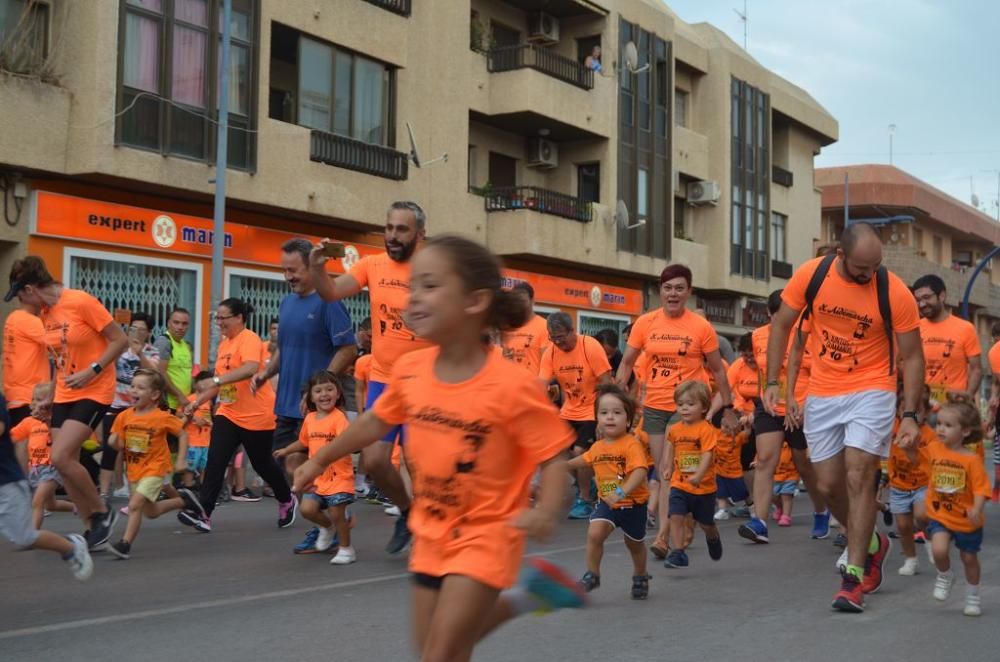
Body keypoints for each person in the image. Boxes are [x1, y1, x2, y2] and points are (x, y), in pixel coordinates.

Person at [294, 234, 585, 662]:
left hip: (487, 534)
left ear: (474, 301)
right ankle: (528, 596)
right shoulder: (411, 368)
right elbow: (375, 420)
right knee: (438, 649)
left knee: (439, 653)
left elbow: (553, 455)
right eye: (413, 286)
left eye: (430, 286)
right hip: (430, 533)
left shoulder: (512, 385)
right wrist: (320, 457)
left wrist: (544, 511)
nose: (413, 298)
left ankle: (523, 595)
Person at [763, 222, 923, 613]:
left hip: (873, 387)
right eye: (860, 269)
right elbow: (782, 325)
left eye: (875, 268)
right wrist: (772, 381)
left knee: (859, 474)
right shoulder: (812, 274)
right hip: (824, 390)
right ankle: (871, 541)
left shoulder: (893, 291)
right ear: (839, 254)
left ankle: (853, 577)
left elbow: (914, 356)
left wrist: (912, 414)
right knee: (828, 483)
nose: (869, 276)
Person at [308, 201, 432, 555]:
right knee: (375, 462)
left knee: (419, 464)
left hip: (424, 385)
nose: (392, 235)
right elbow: (331, 292)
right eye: (389, 227)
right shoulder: (372, 264)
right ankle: (407, 512)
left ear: (419, 235)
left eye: (402, 229)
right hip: (383, 380)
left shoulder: (432, 272)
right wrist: (318, 270)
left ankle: (430, 532)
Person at [614, 264, 739, 559]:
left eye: (679, 288)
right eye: (668, 288)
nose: (673, 294)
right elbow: (627, 362)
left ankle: (662, 537)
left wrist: (730, 407)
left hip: (687, 408)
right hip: (655, 406)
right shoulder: (645, 323)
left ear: (689, 292)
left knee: (671, 473)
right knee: (668, 473)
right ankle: (686, 524)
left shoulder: (700, 327)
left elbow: (719, 371)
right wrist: (618, 398)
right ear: (661, 291)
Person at [6, 256, 129, 550]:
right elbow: (59, 362)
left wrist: (93, 369)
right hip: (64, 392)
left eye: (19, 295)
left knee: (60, 456)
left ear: (31, 289)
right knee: (63, 464)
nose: (20, 302)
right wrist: (48, 398)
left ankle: (101, 512)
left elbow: (119, 340)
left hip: (94, 389)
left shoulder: (80, 301)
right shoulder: (45, 314)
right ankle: (92, 530)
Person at [177, 298, 297, 533]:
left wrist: (217, 380)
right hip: (229, 412)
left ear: (239, 318)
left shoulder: (249, 339)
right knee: (215, 460)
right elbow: (219, 384)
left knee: (263, 465)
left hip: (257, 415)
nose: (219, 322)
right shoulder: (224, 345)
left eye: (223, 318)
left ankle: (286, 499)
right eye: (217, 318)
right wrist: (197, 401)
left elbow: (251, 368)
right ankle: (205, 513)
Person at [250, 239, 356, 491]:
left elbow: (349, 348)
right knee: (289, 467)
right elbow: (285, 348)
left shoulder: (329, 301)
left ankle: (330, 516)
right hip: (286, 403)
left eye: (293, 270)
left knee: (305, 469)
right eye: (284, 270)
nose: (288, 277)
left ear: (311, 266)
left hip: (315, 404)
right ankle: (325, 518)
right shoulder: (287, 303)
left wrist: (319, 386)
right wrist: (266, 373)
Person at [743, 290, 829, 544]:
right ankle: (759, 522)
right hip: (769, 408)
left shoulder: (808, 335)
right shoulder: (759, 336)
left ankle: (821, 510)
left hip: (801, 408)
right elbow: (761, 371)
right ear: (770, 313)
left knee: (804, 464)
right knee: (765, 460)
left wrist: (804, 407)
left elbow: (819, 374)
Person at [106, 370, 200, 559]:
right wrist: (113, 442)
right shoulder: (123, 416)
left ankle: (125, 545)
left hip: (155, 468)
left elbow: (182, 433)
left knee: (134, 505)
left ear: (155, 395)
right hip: (134, 470)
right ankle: (183, 500)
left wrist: (181, 460)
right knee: (151, 512)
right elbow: (118, 442)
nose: (134, 390)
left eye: (141, 388)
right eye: (132, 386)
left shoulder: (161, 417)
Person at [0, 391, 92, 580]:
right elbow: (15, 436)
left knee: (25, 533)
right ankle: (73, 509)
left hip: (10, 480)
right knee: (47, 503)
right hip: (35, 469)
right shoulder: (29, 423)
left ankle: (70, 547)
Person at [569, 384, 650, 599]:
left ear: (628, 420)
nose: (610, 418)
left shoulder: (631, 444)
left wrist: (621, 493)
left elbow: (640, 470)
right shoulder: (597, 447)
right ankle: (592, 574)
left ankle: (640, 575)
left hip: (633, 504)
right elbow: (584, 460)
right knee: (595, 533)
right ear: (597, 419)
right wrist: (562, 466)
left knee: (634, 544)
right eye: (604, 413)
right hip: (607, 503)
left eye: (617, 413)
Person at [914, 395, 990, 617]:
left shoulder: (972, 460)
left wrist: (976, 508)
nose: (941, 429)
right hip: (941, 514)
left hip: (967, 519)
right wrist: (909, 449)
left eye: (948, 425)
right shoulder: (935, 449)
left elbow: (981, 489)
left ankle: (973, 595)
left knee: (969, 558)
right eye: (939, 423)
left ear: (965, 431)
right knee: (938, 550)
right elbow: (918, 461)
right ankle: (945, 575)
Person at [275, 370, 356, 564]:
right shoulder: (310, 419)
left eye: (330, 389)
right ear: (310, 396)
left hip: (338, 475)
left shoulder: (339, 419)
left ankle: (346, 549)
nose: (324, 394)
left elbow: (347, 443)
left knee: (337, 512)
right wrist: (286, 450)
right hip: (317, 477)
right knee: (307, 509)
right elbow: (303, 442)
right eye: (318, 391)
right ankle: (327, 527)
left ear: (338, 393)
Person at [539, 312, 612, 519]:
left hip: (592, 408)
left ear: (572, 330)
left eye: (561, 337)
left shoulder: (590, 347)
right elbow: (540, 386)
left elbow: (606, 383)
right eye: (554, 338)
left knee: (580, 450)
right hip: (569, 410)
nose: (558, 342)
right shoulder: (551, 352)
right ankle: (586, 480)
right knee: (555, 450)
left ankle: (584, 499)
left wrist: (603, 417)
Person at [661, 380, 723, 569]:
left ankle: (712, 537)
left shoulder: (706, 430)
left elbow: (707, 454)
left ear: (704, 407)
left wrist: (699, 475)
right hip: (680, 484)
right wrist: (668, 466)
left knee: (706, 523)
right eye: (680, 404)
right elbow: (671, 445)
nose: (684, 408)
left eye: (690, 404)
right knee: (676, 515)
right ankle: (679, 552)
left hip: (703, 487)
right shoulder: (675, 429)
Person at [99, 312, 160, 499]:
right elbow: (107, 364)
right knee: (111, 447)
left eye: (142, 330)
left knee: (136, 448)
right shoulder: (119, 347)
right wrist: (122, 348)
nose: (137, 332)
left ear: (148, 333)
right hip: (115, 404)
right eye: (134, 328)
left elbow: (153, 373)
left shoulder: (151, 351)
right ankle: (107, 490)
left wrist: (140, 352)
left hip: (138, 408)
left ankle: (136, 484)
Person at [912, 274, 982, 405]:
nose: (922, 304)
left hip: (953, 407)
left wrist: (968, 396)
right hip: (922, 406)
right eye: (918, 299)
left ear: (942, 296)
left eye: (927, 297)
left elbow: (976, 369)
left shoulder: (966, 328)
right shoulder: (914, 329)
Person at [10, 383, 74, 528]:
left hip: (51, 467)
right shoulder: (28, 422)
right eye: (33, 399)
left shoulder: (56, 421)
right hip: (35, 469)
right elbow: (11, 437)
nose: (33, 403)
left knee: (37, 501)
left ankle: (32, 536)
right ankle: (77, 507)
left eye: (39, 400)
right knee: (50, 505)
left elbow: (61, 437)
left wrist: (48, 420)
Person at [887, 386, 936, 577]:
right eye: (906, 410)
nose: (912, 416)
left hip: (923, 484)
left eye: (918, 411)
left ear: (926, 413)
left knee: (922, 516)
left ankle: (931, 542)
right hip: (898, 485)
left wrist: (911, 451)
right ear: (899, 411)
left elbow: (928, 462)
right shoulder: (893, 428)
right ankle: (910, 559)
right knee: (904, 526)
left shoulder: (929, 435)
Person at [3, 295, 50, 473]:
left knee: (21, 441)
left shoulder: (13, 318)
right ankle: (26, 486)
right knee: (26, 441)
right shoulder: (31, 321)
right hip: (31, 393)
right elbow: (56, 343)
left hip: (15, 391)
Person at [499, 282, 548, 375]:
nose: (519, 304)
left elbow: (547, 365)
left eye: (522, 300)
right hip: (509, 384)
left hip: (532, 386)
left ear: (532, 300)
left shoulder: (544, 326)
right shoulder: (507, 327)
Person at [154, 308, 194, 414]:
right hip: (167, 406)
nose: (180, 327)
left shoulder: (186, 345)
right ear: (168, 323)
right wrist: (179, 395)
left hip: (183, 406)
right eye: (176, 322)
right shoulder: (164, 342)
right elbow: (160, 373)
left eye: (184, 324)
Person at [180, 370, 215, 488]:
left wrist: (209, 423)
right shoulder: (190, 399)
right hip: (192, 441)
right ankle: (188, 486)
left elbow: (209, 416)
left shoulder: (209, 401)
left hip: (206, 441)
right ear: (195, 384)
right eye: (203, 383)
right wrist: (194, 419)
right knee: (190, 467)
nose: (206, 386)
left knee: (205, 466)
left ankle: (203, 488)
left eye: (209, 383)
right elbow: (179, 414)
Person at [770, 441, 799, 527]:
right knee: (772, 496)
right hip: (776, 475)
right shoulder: (773, 442)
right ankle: (780, 507)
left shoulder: (793, 443)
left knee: (786, 496)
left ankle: (786, 516)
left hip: (791, 475)